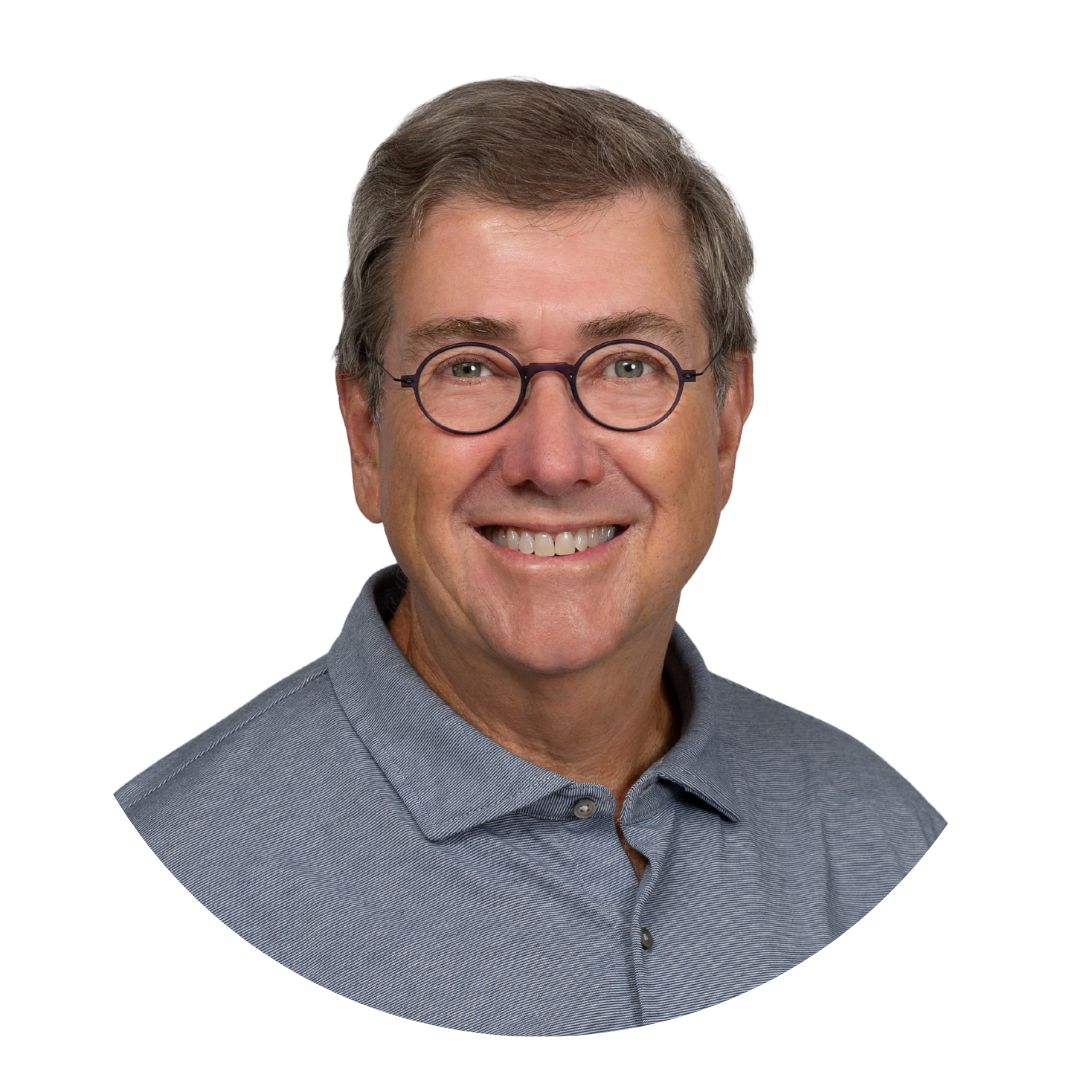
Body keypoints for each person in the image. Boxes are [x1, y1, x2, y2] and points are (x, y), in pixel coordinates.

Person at [115, 79, 945, 1034]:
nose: (552, 462)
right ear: (367, 436)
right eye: (467, 366)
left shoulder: (881, 841)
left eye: (630, 364)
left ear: (727, 424)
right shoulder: (187, 865)